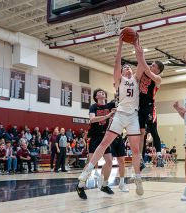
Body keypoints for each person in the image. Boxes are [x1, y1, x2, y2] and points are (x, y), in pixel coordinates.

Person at [76, 33, 144, 200]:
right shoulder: (119, 80)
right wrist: (120, 44)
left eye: (129, 67)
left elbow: (141, 61)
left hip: (133, 116)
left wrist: (137, 43)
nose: (128, 68)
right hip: (120, 115)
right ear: (121, 72)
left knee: (136, 149)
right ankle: (87, 173)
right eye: (125, 67)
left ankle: (138, 178)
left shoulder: (136, 79)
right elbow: (117, 62)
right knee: (105, 143)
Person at [138, 51, 164, 168]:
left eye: (153, 65)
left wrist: (140, 55)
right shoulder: (143, 73)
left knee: (153, 131)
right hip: (139, 107)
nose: (150, 66)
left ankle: (159, 156)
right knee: (141, 133)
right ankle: (140, 158)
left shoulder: (157, 78)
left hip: (150, 107)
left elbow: (147, 70)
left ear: (158, 70)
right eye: (151, 64)